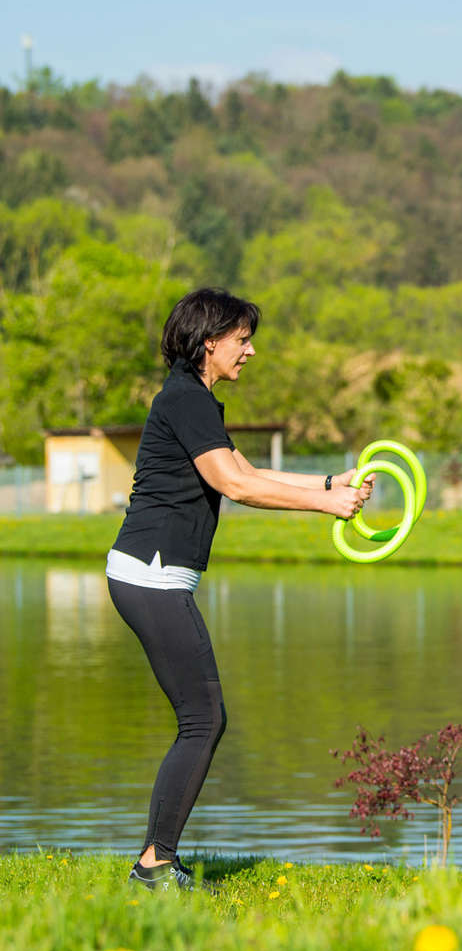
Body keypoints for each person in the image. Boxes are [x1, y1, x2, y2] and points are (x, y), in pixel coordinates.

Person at [107, 287, 372, 891]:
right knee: (203, 718)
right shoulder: (186, 399)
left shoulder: (192, 399)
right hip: (151, 574)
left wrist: (330, 479)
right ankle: (154, 867)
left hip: (147, 574)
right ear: (209, 342)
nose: (250, 351)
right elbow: (234, 485)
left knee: (201, 717)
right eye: (242, 339)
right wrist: (325, 504)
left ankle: (156, 862)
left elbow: (246, 471)